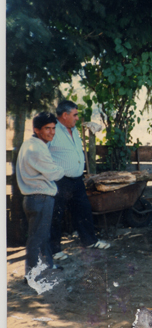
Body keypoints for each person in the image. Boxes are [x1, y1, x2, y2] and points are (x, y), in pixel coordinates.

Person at [49, 100, 110, 260]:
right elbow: (42, 154)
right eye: (75, 115)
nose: (77, 118)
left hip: (76, 180)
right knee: (56, 214)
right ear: (64, 115)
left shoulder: (73, 129)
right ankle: (54, 251)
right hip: (59, 181)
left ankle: (90, 241)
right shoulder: (52, 130)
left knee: (83, 210)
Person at [16, 112, 66, 276]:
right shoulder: (36, 149)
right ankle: (32, 275)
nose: (51, 132)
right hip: (40, 198)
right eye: (47, 128)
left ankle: (47, 266)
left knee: (43, 235)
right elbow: (53, 173)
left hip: (36, 197)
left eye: (53, 128)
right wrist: (61, 169)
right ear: (37, 130)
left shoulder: (31, 144)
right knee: (37, 238)